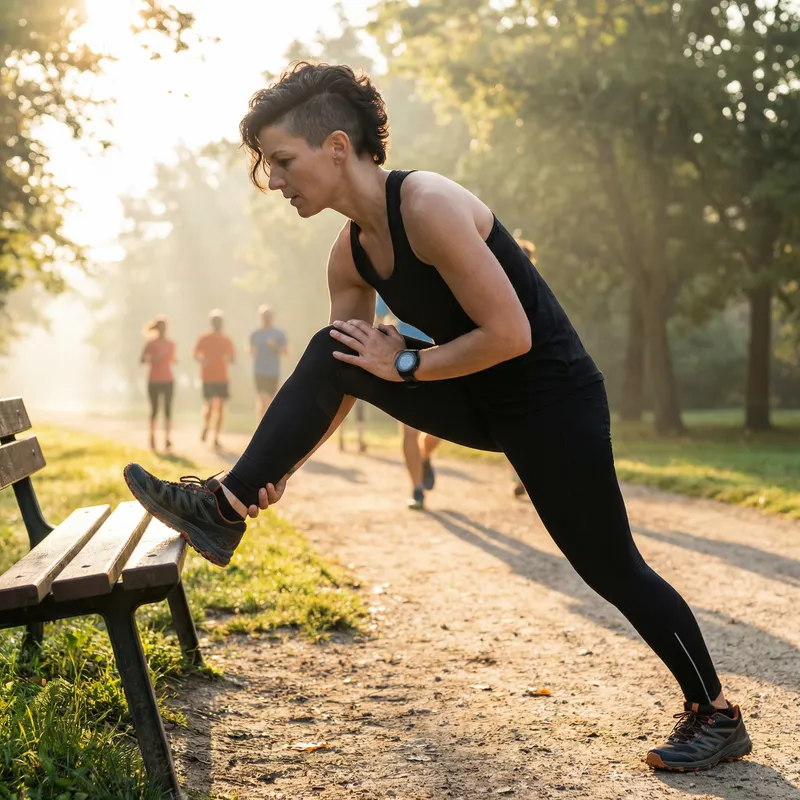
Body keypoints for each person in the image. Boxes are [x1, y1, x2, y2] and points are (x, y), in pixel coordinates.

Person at [123, 62, 751, 772]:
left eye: (282, 162)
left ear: (336, 147)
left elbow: (510, 334)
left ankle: (716, 713)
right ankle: (226, 503)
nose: (274, 182)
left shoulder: (426, 204)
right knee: (337, 349)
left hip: (553, 403)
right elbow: (343, 380)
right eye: (269, 166)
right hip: (478, 400)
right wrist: (280, 470)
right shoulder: (348, 254)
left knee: (610, 567)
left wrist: (410, 364)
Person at [376, 295, 441, 510]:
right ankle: (417, 488)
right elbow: (378, 319)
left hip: (441, 355)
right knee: (410, 430)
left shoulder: (443, 267)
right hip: (403, 358)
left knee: (439, 429)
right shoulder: (388, 273)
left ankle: (423, 458)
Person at [194, 309, 236, 447]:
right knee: (210, 406)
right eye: (215, 321)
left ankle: (216, 436)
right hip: (208, 377)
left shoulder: (226, 340)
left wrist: (229, 358)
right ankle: (206, 426)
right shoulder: (204, 338)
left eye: (220, 321)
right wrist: (203, 361)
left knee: (222, 408)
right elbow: (195, 354)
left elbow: (233, 357)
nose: (218, 324)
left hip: (222, 377)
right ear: (212, 323)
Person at [140, 315, 176, 451]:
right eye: (161, 327)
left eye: (165, 328)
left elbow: (172, 359)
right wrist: (155, 358)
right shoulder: (150, 343)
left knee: (168, 410)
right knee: (154, 410)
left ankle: (167, 438)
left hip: (168, 379)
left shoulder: (171, 344)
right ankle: (152, 436)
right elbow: (142, 359)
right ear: (157, 328)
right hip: (154, 380)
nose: (163, 330)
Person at [250, 305, 288, 417]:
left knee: (270, 402)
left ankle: (264, 428)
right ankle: (259, 429)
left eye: (269, 316)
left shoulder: (279, 334)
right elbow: (250, 350)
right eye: (264, 316)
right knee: (262, 400)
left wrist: (275, 347)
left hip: (273, 372)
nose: (266, 318)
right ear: (261, 317)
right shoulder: (255, 333)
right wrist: (253, 351)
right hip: (259, 372)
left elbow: (286, 352)